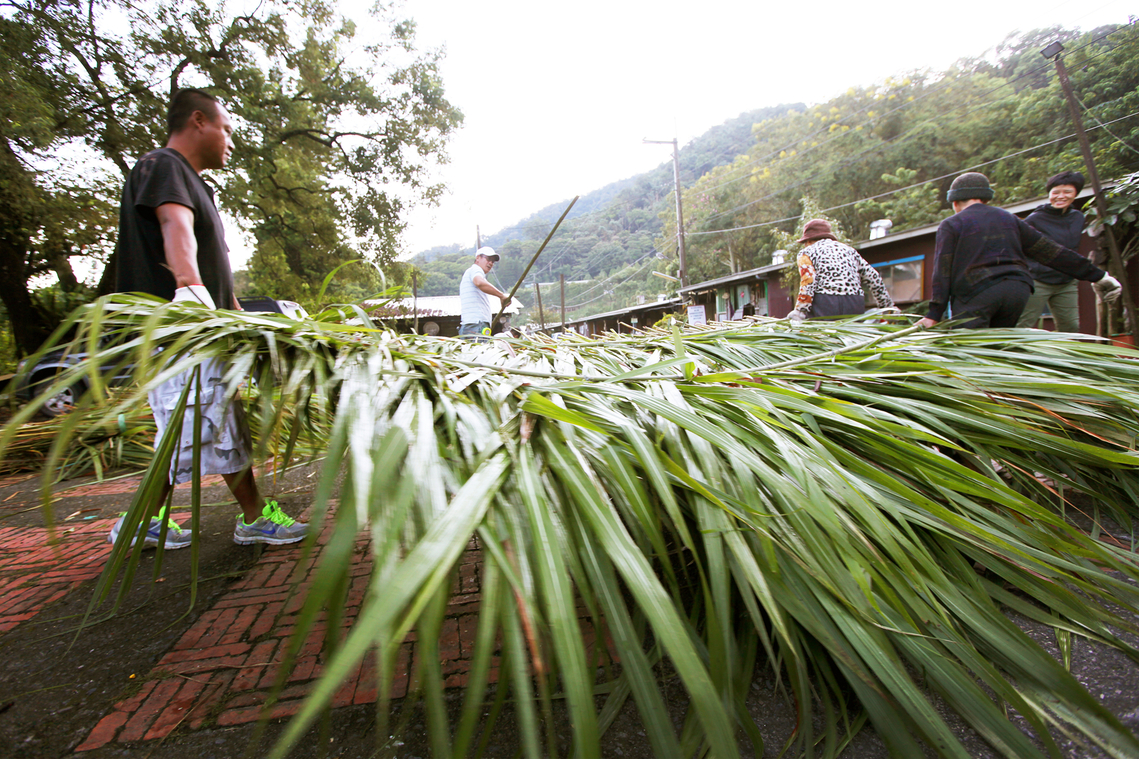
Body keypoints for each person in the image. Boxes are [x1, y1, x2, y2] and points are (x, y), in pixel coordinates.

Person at [111, 88, 308, 549]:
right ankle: (247, 517)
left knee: (205, 422)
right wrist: (190, 293)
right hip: (181, 329)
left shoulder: (197, 184)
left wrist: (240, 318)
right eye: (226, 129)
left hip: (204, 327)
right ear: (198, 120)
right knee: (200, 420)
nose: (230, 141)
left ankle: (153, 520)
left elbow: (214, 262)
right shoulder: (164, 166)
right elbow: (173, 226)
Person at [917, 172, 1120, 330]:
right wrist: (1099, 276)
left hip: (976, 292)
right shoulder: (1010, 219)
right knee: (999, 348)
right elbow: (1050, 251)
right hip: (1017, 290)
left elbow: (942, 271)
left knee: (971, 351)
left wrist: (934, 314)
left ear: (954, 202)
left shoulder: (952, 224)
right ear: (986, 198)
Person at [1015, 171, 1087, 332]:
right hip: (1038, 281)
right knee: (1021, 325)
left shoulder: (1078, 217)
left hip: (1066, 282)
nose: (1061, 196)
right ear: (1049, 194)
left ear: (1075, 194)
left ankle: (1062, 356)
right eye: (1056, 192)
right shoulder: (1034, 219)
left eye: (1067, 192)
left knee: (1071, 327)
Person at [789, 219, 896, 320]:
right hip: (854, 303)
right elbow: (873, 277)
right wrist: (887, 307)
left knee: (823, 338)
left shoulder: (807, 252)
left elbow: (808, 280)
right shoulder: (850, 250)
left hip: (825, 303)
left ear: (808, 241)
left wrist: (800, 310)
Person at [458, 247, 511, 338]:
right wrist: (501, 296)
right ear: (478, 258)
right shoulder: (475, 269)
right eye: (488, 259)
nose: (491, 263)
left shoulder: (471, 272)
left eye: (493, 261)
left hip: (472, 325)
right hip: (476, 325)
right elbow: (479, 282)